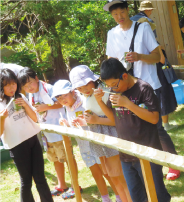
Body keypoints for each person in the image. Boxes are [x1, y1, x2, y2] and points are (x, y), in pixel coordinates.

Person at [104, 0, 180, 180]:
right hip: (124, 88)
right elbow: (111, 61)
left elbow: (157, 57)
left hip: (147, 86)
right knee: (133, 129)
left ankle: (173, 163)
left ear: (128, 10)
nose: (119, 17)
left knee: (156, 128)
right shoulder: (112, 34)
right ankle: (145, 169)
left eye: (122, 12)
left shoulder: (143, 28)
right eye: (115, 14)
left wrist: (139, 57)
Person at [96, 57, 171, 202]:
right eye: (108, 86)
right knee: (137, 197)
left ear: (124, 76)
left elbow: (154, 118)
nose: (112, 88)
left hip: (148, 153)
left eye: (114, 84)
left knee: (157, 195)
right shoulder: (114, 92)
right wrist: (100, 102)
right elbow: (114, 119)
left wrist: (128, 104)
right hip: (126, 154)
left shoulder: (144, 88)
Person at [69, 65, 132, 202]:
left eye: (85, 85)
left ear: (93, 80)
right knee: (111, 175)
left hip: (111, 137)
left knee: (121, 176)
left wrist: (96, 119)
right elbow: (95, 118)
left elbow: (117, 120)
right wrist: (86, 121)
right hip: (98, 139)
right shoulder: (87, 96)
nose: (83, 90)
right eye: (79, 88)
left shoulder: (104, 93)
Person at [52, 80, 122, 202]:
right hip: (84, 148)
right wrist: (66, 124)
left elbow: (94, 120)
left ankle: (119, 196)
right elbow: (74, 127)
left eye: (65, 95)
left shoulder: (84, 102)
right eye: (59, 97)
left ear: (73, 92)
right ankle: (105, 198)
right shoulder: (66, 108)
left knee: (107, 173)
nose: (63, 99)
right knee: (96, 174)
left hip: (96, 145)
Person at [17, 67, 78, 198]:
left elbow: (62, 103)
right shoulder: (31, 94)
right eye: (25, 86)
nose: (29, 88)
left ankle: (75, 186)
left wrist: (46, 106)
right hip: (47, 132)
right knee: (55, 159)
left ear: (37, 79)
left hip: (60, 130)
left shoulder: (49, 88)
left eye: (31, 83)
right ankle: (62, 185)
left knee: (68, 159)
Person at [0, 69, 53, 202]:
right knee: (26, 182)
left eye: (14, 83)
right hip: (17, 146)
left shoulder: (21, 97)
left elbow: (35, 118)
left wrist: (25, 105)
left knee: (40, 178)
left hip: (33, 140)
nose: (12, 87)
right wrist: (1, 118)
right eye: (7, 84)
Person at [131, 0, 178, 131]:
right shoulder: (146, 24)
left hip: (139, 75)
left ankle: (152, 126)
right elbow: (160, 58)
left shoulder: (133, 25)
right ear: (149, 10)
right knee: (162, 94)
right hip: (154, 69)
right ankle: (164, 125)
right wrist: (161, 53)